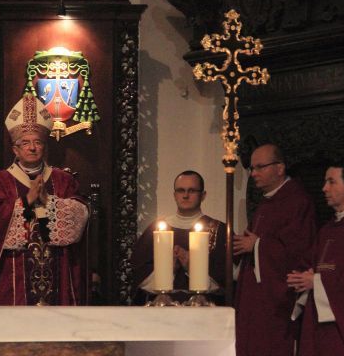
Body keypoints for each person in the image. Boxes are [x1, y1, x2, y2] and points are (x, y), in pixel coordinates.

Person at [0, 94, 89, 306]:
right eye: (25, 143)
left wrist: (50, 203)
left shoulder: (63, 180)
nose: (32, 147)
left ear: (45, 146)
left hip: (58, 273)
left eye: (37, 142)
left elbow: (80, 216)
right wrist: (26, 201)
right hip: (12, 279)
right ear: (15, 149)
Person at [234, 143, 317, 356]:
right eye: (252, 168)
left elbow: (299, 249)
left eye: (260, 167)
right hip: (255, 298)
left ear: (280, 168)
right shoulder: (266, 203)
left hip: (276, 302)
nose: (253, 174)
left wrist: (258, 246)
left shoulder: (297, 201)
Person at [288, 159, 344, 356]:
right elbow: (314, 264)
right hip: (318, 319)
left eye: (331, 182)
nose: (324, 188)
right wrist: (304, 278)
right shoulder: (328, 229)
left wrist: (317, 282)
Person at [131, 170, 226, 304]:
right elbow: (137, 275)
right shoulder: (157, 229)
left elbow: (226, 279)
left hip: (204, 308)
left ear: (203, 195)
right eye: (181, 191)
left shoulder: (219, 230)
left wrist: (192, 266)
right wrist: (168, 269)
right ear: (175, 195)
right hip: (162, 307)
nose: (185, 195)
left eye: (192, 191)